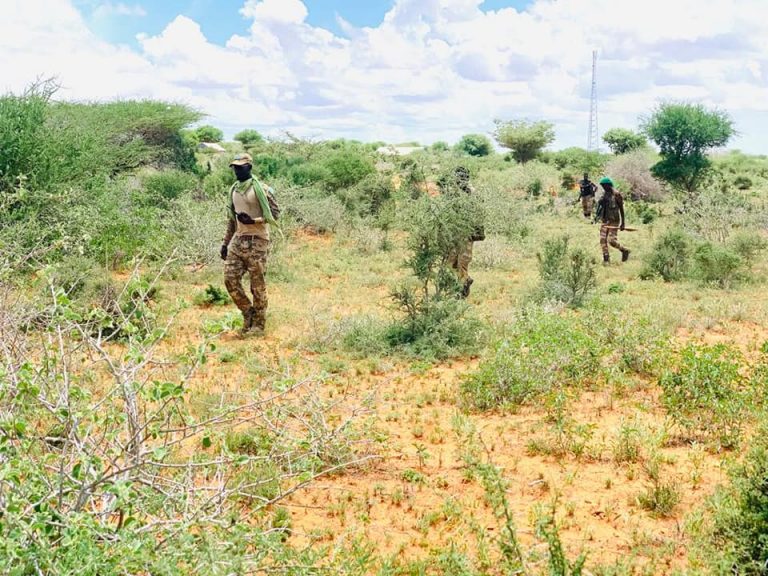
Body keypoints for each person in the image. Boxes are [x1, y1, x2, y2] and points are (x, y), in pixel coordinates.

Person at [220, 153, 280, 334]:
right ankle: (248, 313)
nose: (237, 170)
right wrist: (225, 243)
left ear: (249, 167)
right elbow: (232, 220)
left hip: (258, 241)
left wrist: (253, 220)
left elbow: (275, 215)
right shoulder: (234, 191)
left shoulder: (263, 189)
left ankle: (258, 325)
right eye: (235, 167)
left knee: (257, 285)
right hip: (239, 240)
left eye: (241, 167)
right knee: (230, 279)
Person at [446, 166, 485, 298]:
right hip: (455, 234)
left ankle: (462, 289)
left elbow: (479, 215)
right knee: (452, 263)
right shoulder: (453, 193)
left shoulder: (472, 193)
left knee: (461, 262)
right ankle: (458, 288)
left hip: (466, 234)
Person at [594, 176, 630, 264]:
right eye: (602, 186)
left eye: (604, 185)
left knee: (611, 241)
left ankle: (624, 250)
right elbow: (600, 207)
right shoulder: (604, 194)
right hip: (605, 220)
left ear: (609, 185)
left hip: (614, 220)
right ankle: (606, 258)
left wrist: (623, 223)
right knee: (602, 240)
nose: (603, 187)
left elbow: (621, 208)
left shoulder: (617, 195)